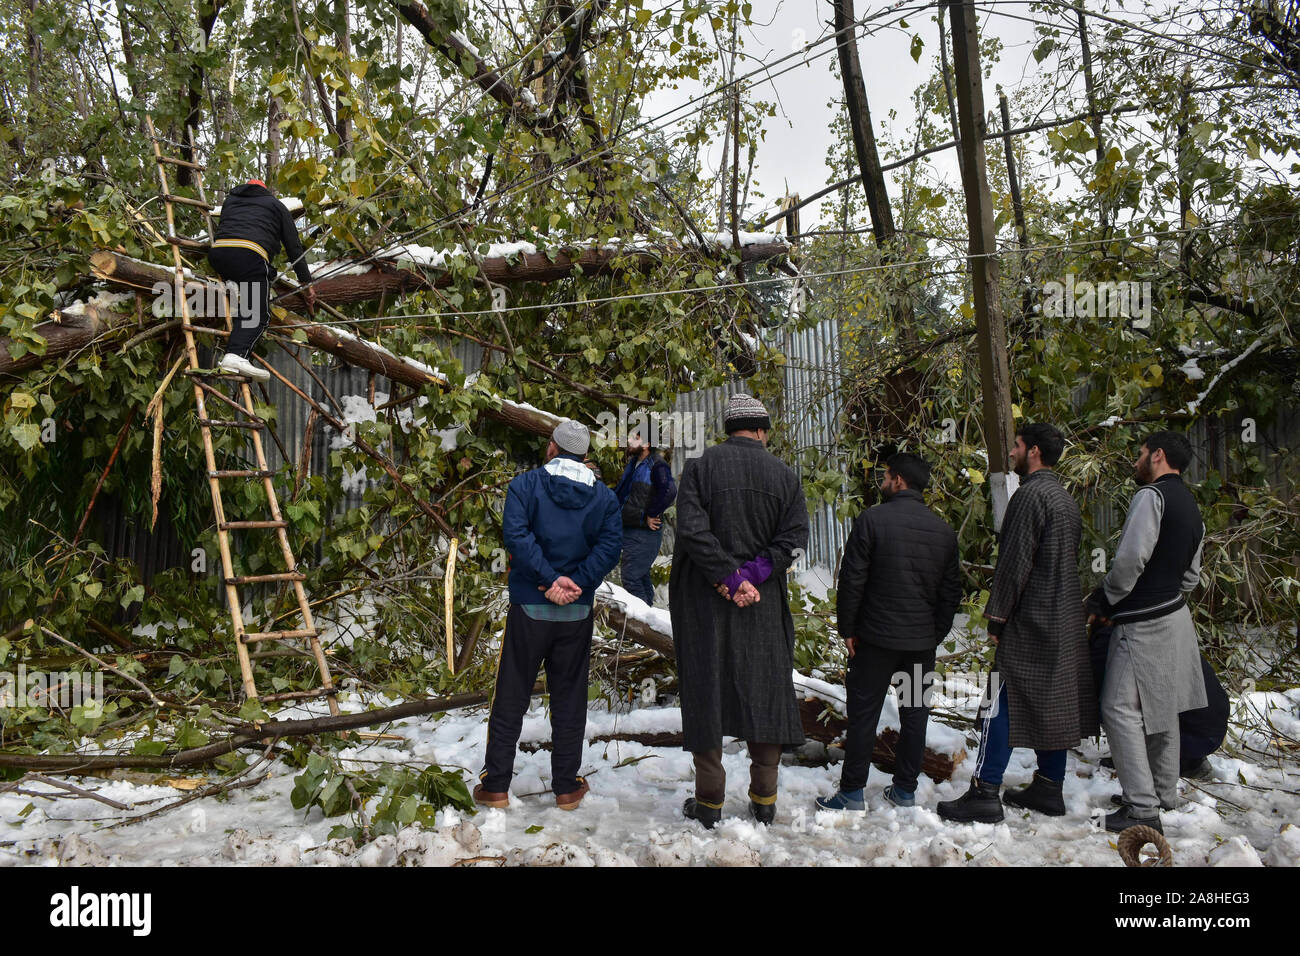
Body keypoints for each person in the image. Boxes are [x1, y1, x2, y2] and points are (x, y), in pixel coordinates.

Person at [938, 423, 1097, 823]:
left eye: (1018, 446)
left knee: (999, 698)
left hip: (1031, 617)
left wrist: (998, 616)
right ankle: (1049, 787)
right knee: (1054, 700)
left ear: (1035, 451)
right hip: (1064, 616)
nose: (1012, 452)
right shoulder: (1064, 498)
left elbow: (1015, 564)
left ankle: (985, 792)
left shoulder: (1029, 496)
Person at [669, 393, 809, 828]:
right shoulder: (785, 475)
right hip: (761, 605)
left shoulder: (700, 468)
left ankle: (709, 801)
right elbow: (794, 538)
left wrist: (729, 579)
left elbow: (690, 530)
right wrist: (750, 576)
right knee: (764, 689)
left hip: (705, 604)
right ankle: (764, 798)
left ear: (728, 429)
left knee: (706, 688)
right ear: (762, 430)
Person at [474, 420, 622, 811]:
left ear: (551, 447)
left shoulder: (525, 486)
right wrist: (576, 583)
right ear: (585, 456)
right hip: (575, 613)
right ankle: (567, 788)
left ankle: (496, 785)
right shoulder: (604, 498)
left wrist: (548, 578)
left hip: (529, 608)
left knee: (511, 693)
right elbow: (610, 548)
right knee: (570, 697)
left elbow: (517, 538)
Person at [816, 453, 962, 812]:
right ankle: (905, 791)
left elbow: (852, 581)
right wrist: (934, 634)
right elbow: (950, 593)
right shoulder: (943, 532)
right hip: (919, 646)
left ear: (898, 480)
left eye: (885, 476)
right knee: (915, 716)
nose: (882, 481)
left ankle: (851, 793)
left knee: (864, 715)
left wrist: (848, 628)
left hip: (874, 644)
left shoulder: (872, 521)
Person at [1086, 430, 1207, 834]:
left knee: (1118, 709)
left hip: (1143, 623)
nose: (1135, 462)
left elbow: (1130, 559)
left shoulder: (1150, 497)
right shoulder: (1191, 505)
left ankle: (1141, 809)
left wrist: (1107, 599)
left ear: (1157, 456)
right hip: (1176, 618)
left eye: (1139, 454)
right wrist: (1168, 595)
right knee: (1162, 708)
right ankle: (1162, 794)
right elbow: (1191, 575)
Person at [1090, 621, 1228, 782]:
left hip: (1189, 736)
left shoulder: (1115, 642)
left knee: (1114, 702)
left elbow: (1104, 696)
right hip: (1212, 729)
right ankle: (1186, 759)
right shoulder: (1158, 631)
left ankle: (1154, 760)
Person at [207, 179, 316, 382]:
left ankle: (238, 355)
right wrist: (306, 284)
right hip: (249, 256)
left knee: (248, 294)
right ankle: (236, 355)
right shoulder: (275, 205)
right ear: (265, 191)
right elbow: (294, 248)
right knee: (258, 312)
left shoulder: (230, 202)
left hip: (219, 255)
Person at [612, 429, 676, 606]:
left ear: (647, 444)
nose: (629, 440)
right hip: (632, 528)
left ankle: (639, 625)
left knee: (631, 577)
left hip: (644, 533)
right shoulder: (635, 463)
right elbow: (623, 495)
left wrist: (650, 514)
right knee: (640, 577)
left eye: (635, 438)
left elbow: (670, 491)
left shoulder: (656, 465)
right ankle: (649, 619)